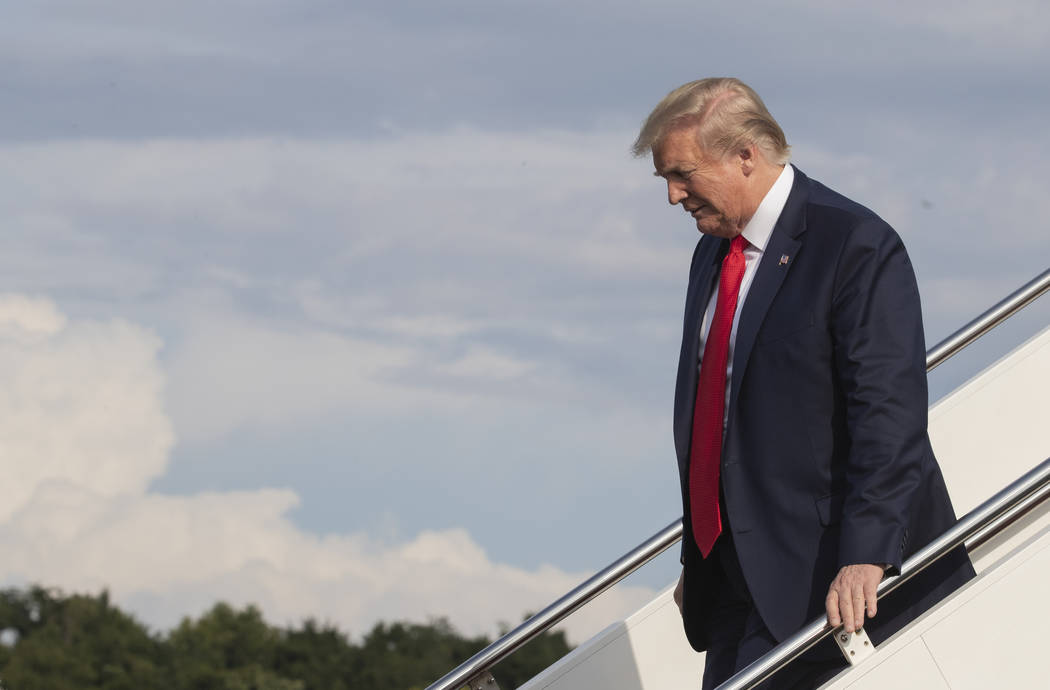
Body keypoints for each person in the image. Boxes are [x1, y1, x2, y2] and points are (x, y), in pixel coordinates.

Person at [632, 78, 975, 688]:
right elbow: (727, 414)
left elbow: (889, 416)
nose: (672, 194)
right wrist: (705, 551)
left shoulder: (855, 244)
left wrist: (867, 553)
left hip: (829, 578)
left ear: (746, 154)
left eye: (682, 173)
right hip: (738, 577)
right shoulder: (712, 252)